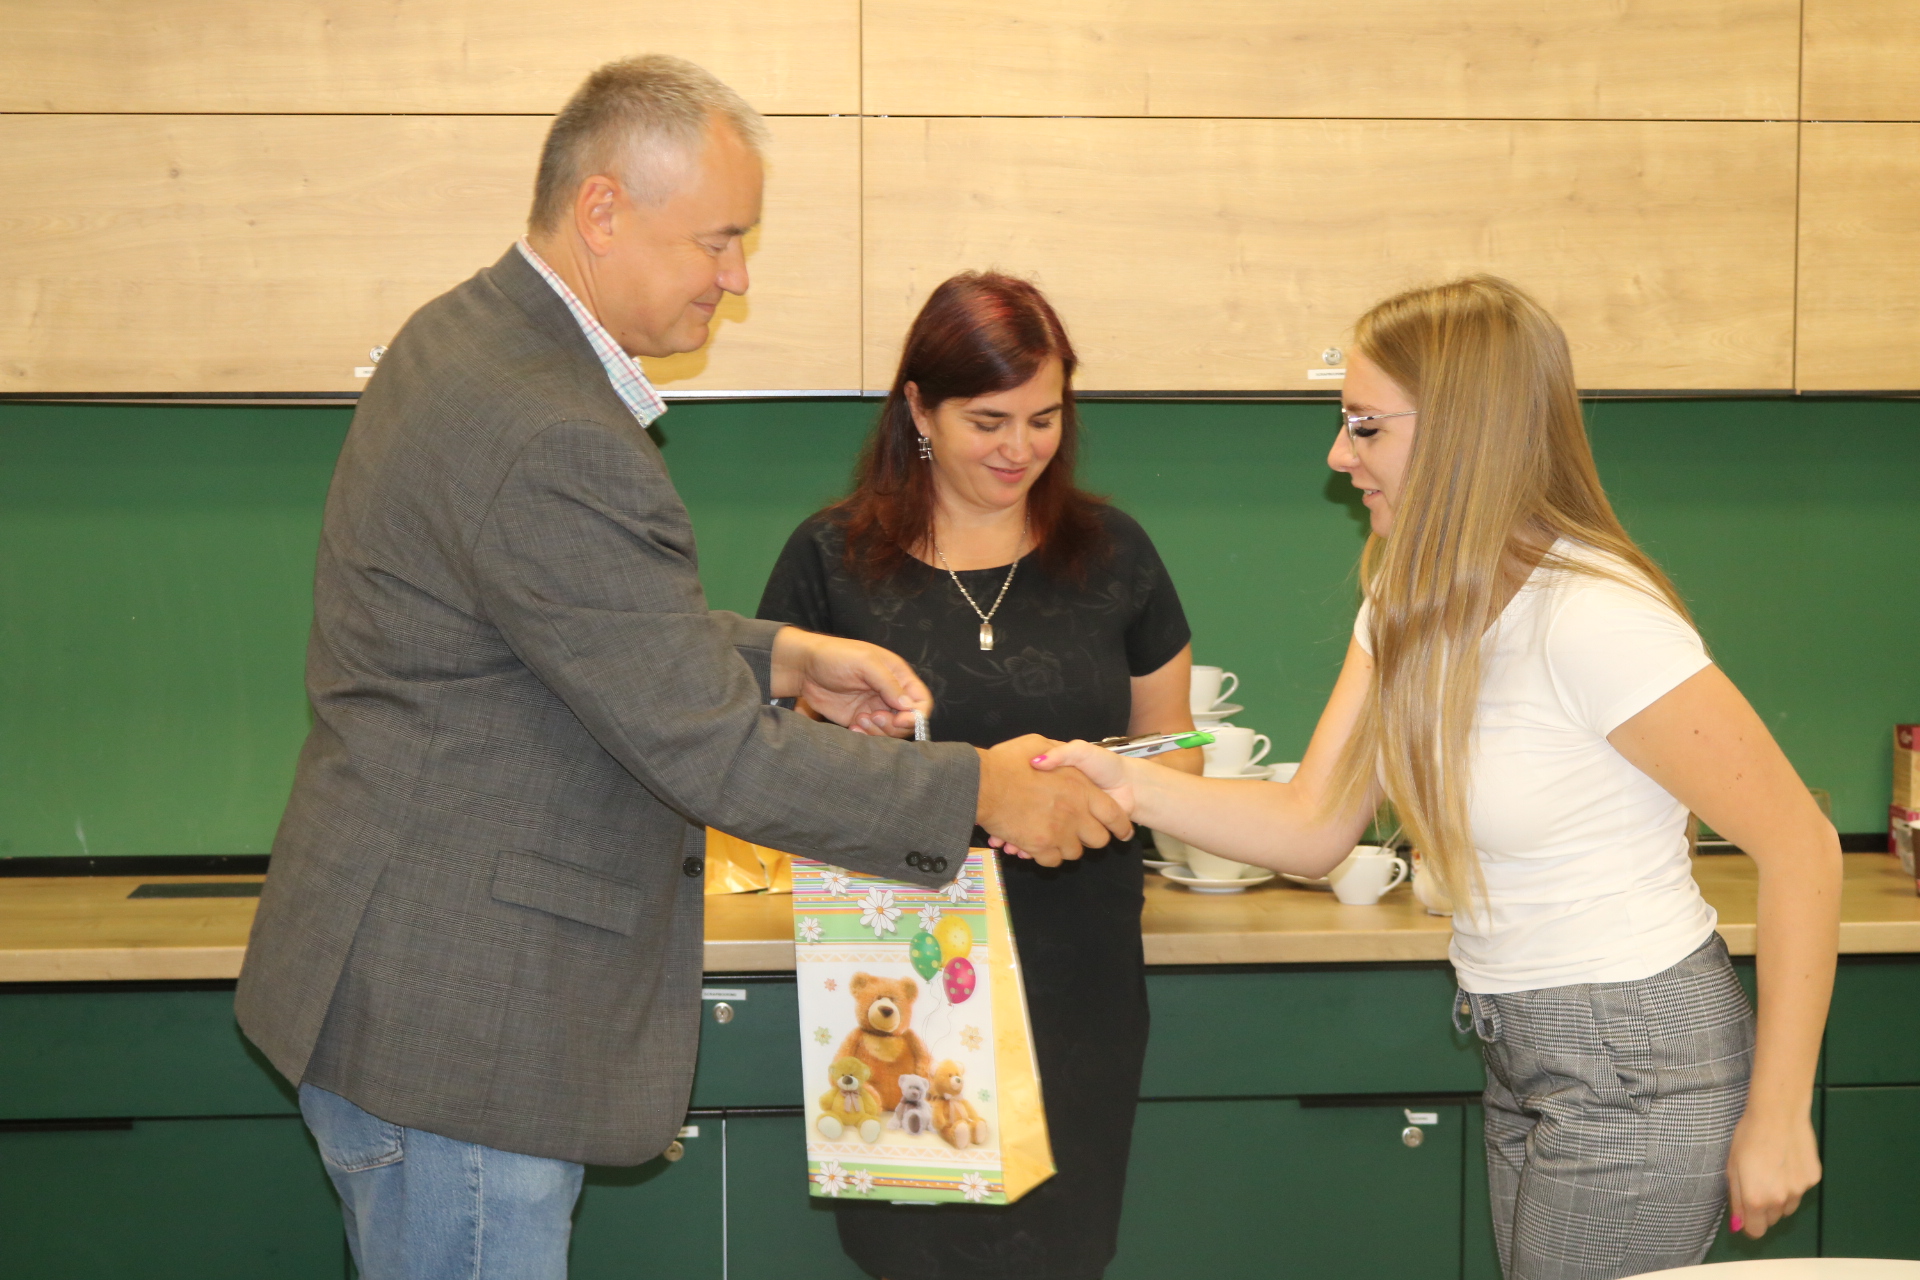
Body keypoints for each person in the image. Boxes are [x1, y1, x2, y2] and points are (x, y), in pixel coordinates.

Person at [233, 57, 1128, 1280]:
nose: (737, 276)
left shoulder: (474, 338)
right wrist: (977, 788)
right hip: (464, 1029)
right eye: (719, 240)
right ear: (603, 210)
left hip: (408, 988)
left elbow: (563, 626)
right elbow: (705, 747)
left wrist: (783, 654)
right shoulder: (551, 427)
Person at [1028, 276, 1840, 1279]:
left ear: (1464, 430)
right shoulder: (1408, 606)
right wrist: (1117, 780)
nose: (1338, 455)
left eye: (1365, 427)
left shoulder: (1593, 615)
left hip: (1638, 1059)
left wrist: (1781, 1111)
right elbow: (1313, 823)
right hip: (1526, 1048)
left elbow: (1802, 844)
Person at [757, 271, 1200, 1280]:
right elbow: (770, 765)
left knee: (1064, 1254)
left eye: (1044, 418)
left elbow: (1176, 745)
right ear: (918, 407)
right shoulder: (831, 559)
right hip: (899, 985)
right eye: (987, 419)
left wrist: (1098, 783)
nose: (1020, 448)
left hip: (1079, 980)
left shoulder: (1115, 553)